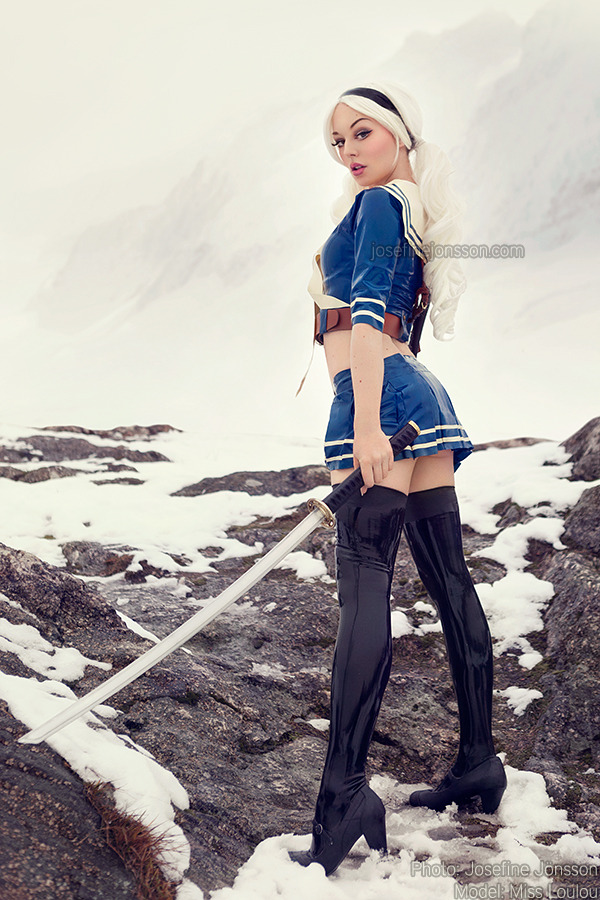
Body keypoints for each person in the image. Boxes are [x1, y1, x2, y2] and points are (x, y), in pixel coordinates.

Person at [289, 82, 506, 877]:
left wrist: (367, 427)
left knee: (364, 587)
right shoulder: (406, 205)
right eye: (337, 140)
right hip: (416, 394)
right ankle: (478, 762)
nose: (347, 150)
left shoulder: (381, 204)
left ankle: (343, 795)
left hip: (379, 400)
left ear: (400, 133)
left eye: (362, 132)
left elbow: (369, 311)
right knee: (449, 580)